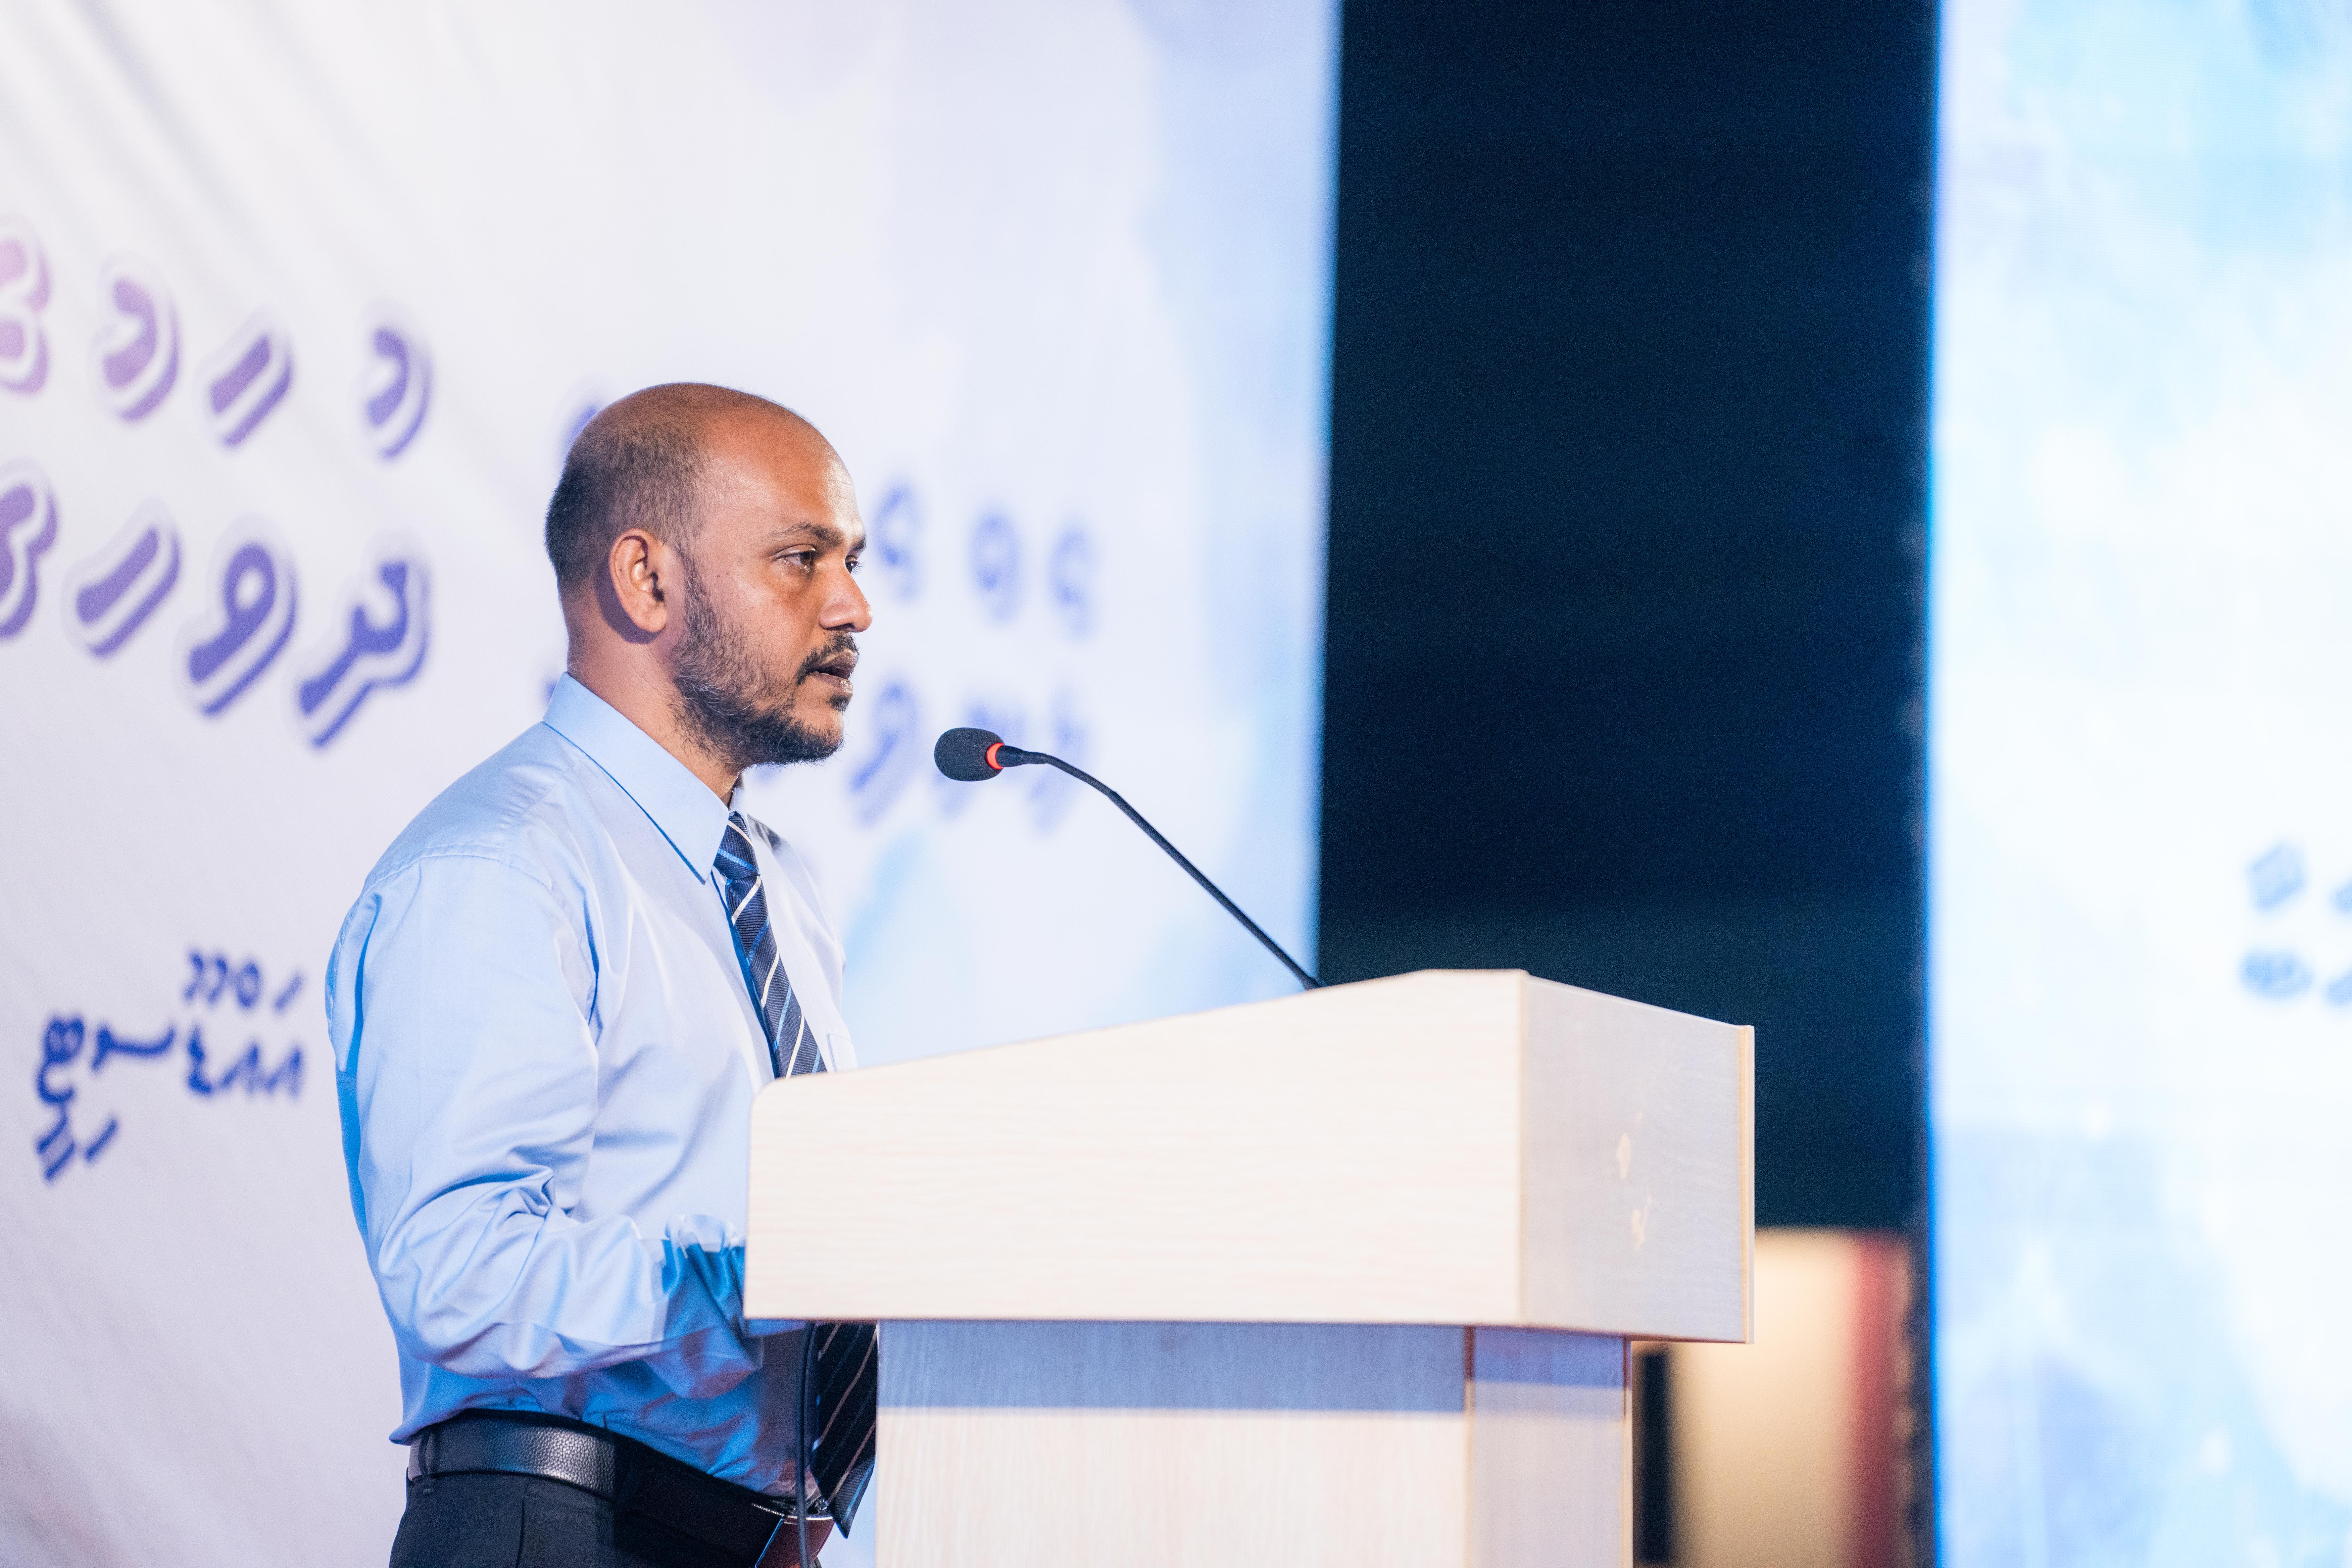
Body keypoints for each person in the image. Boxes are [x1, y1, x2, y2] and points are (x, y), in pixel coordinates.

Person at [328, 384, 875, 1568]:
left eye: (854, 562)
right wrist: (771, 1277)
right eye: (802, 560)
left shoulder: (776, 886)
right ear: (646, 579)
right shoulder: (504, 864)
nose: (853, 607)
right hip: (567, 1530)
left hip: (750, 1540)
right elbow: (460, 1275)